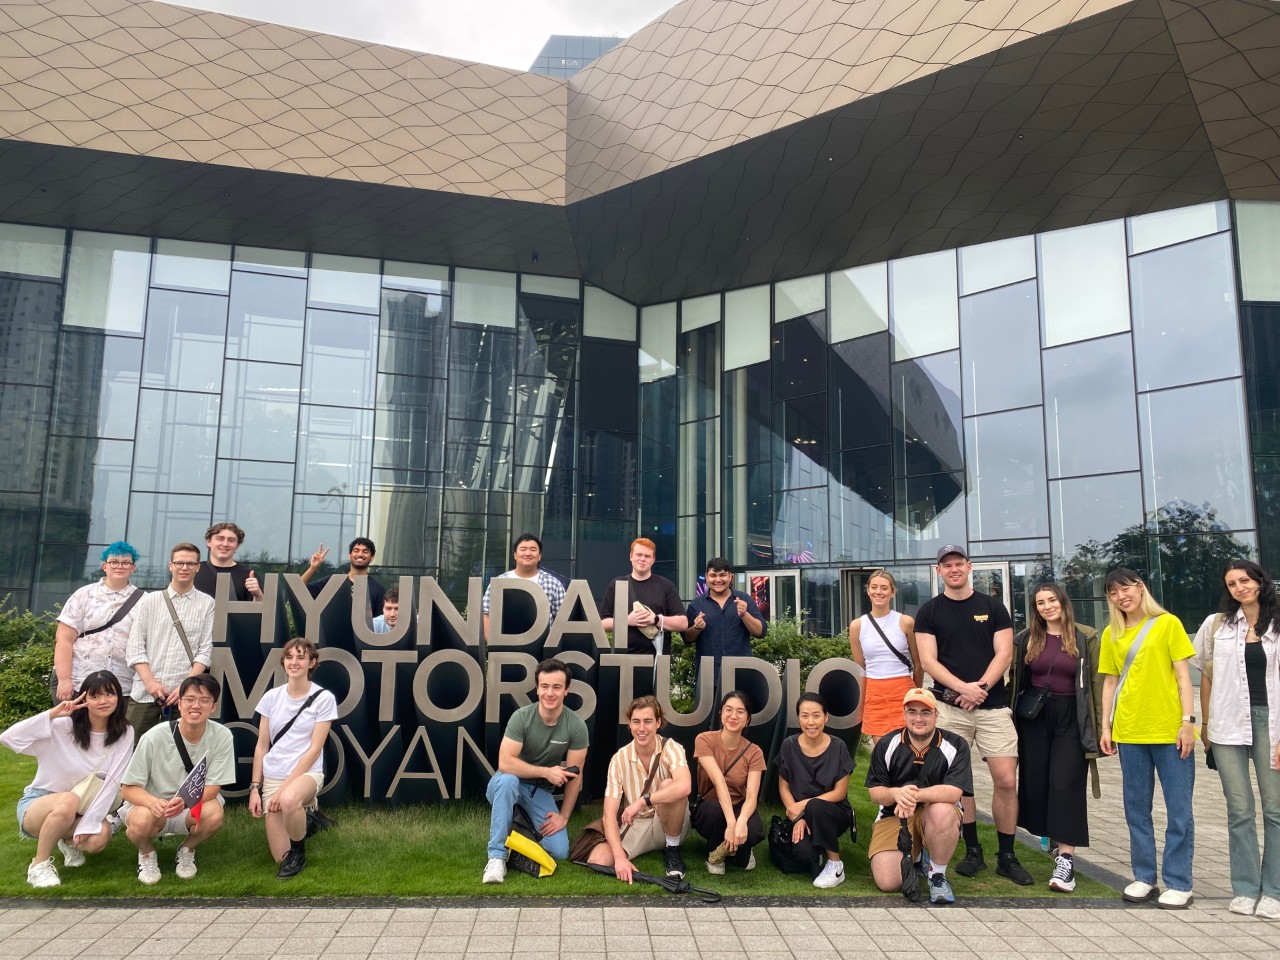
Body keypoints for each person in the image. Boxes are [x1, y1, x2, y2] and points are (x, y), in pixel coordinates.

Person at [914, 544, 1031, 885]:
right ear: (939, 571)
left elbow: (1004, 653)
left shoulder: (993, 607)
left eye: (958, 563)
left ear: (969, 567)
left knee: (1007, 780)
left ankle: (1007, 856)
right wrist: (963, 690)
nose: (953, 569)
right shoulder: (929, 612)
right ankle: (972, 850)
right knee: (957, 784)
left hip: (992, 707)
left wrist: (979, 687)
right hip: (950, 709)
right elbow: (929, 661)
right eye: (946, 565)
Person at [1098, 567, 1196, 909]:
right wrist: (1105, 727)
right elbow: (1109, 683)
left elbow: (1184, 677)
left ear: (1140, 588)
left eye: (1126, 588)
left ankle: (1179, 881)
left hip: (1169, 729)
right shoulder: (1111, 632)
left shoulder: (1168, 623)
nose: (1121, 596)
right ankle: (1144, 876)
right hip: (1129, 731)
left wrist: (1188, 722)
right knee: (1135, 808)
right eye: (1113, 592)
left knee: (1178, 808)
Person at [1194, 559, 1280, 918]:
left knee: (1275, 809)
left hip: (1271, 724)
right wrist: (1205, 725)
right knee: (1239, 809)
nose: (1239, 587)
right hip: (1227, 724)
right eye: (1232, 584)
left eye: (1245, 580)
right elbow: (1207, 675)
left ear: (1260, 581)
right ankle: (1245, 888)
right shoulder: (1217, 626)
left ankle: (1274, 891)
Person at [0, 671, 134, 889]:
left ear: (118, 697)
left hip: (82, 806)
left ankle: (66, 841)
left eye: (109, 694)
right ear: (84, 699)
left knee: (99, 837)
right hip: (40, 805)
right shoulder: (63, 726)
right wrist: (53, 714)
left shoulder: (124, 732)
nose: (103, 701)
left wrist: (89, 822)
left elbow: (112, 782)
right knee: (67, 801)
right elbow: (8, 738)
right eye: (95, 696)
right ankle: (39, 865)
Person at [1010, 583, 1103, 894]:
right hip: (1034, 717)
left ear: (1063, 602)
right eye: (1040, 603)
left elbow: (1096, 685)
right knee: (1037, 782)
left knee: (1066, 784)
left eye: (1052, 600)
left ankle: (1066, 860)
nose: (1047, 606)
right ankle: (1050, 834)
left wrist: (1102, 730)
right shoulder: (1025, 639)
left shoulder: (1085, 636)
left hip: (1071, 718)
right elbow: (1016, 680)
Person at [119, 674, 234, 885]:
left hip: (190, 805)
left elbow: (214, 786)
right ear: (179, 704)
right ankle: (146, 853)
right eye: (189, 700)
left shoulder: (223, 735)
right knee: (140, 822)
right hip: (154, 807)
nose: (196, 706)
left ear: (214, 706)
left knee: (214, 814)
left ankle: (187, 849)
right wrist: (153, 803)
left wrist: (185, 801)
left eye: (204, 700)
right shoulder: (153, 737)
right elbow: (127, 789)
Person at [483, 658, 588, 884]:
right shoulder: (522, 717)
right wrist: (546, 772)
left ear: (566, 690)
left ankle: (515, 829)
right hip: (505, 784)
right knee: (509, 781)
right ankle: (496, 857)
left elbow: (575, 777)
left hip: (537, 792)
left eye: (557, 687)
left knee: (559, 851)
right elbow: (505, 763)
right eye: (545, 686)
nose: (550, 693)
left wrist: (564, 817)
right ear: (537, 688)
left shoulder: (576, 725)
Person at [866, 688, 971, 905]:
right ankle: (917, 856)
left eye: (925, 712)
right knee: (888, 882)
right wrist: (896, 793)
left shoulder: (956, 745)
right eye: (912, 712)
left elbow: (953, 792)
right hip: (894, 814)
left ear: (936, 714)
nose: (918, 718)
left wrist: (911, 795)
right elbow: (875, 792)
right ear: (904, 714)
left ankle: (937, 875)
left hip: (934, 812)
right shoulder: (887, 744)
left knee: (941, 811)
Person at [248, 638, 338, 879]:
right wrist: (255, 788)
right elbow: (262, 746)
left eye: (301, 657)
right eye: (289, 657)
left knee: (288, 800)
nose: (294, 662)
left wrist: (283, 791)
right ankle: (309, 821)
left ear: (312, 662)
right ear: (283, 662)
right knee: (279, 857)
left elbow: (314, 750)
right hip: (274, 775)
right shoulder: (271, 698)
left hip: (306, 774)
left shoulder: (324, 698)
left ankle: (299, 853)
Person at [588, 695, 692, 881]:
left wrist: (642, 801)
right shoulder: (619, 758)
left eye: (648, 721)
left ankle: (672, 849)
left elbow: (684, 786)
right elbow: (608, 815)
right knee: (598, 860)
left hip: (670, 822)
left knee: (670, 785)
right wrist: (619, 858)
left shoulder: (671, 747)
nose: (641, 728)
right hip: (638, 824)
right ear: (629, 724)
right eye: (636, 722)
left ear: (658, 722)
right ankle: (639, 850)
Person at [124, 542, 215, 737]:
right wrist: (150, 683)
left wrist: (185, 686)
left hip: (185, 696)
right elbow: (135, 647)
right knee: (133, 749)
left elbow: (205, 651)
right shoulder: (150, 601)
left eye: (190, 564)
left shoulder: (207, 603)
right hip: (144, 693)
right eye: (179, 563)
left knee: (178, 753)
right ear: (170, 565)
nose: (184, 568)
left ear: (198, 567)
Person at [776, 692, 854, 888]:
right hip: (801, 814)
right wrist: (797, 817)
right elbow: (783, 786)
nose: (811, 722)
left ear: (826, 717)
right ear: (799, 718)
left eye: (816, 715)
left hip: (834, 812)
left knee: (816, 806)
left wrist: (804, 805)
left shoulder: (839, 746)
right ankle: (817, 852)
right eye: (805, 715)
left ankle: (836, 866)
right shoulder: (789, 745)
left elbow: (840, 793)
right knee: (803, 854)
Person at [52, 541, 143, 703]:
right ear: (104, 566)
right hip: (80, 682)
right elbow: (64, 639)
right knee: (73, 727)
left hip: (123, 686)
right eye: (114, 562)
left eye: (125, 563)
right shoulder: (83, 595)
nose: (119, 566)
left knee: (117, 729)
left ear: (133, 567)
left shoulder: (145, 601)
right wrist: (64, 680)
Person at [692, 690, 766, 875]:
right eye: (728, 710)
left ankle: (740, 849)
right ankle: (716, 853)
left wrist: (741, 820)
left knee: (753, 832)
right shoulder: (704, 740)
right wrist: (732, 823)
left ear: (748, 719)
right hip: (711, 805)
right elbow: (719, 782)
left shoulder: (754, 752)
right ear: (721, 713)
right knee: (715, 813)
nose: (733, 716)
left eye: (740, 712)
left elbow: (751, 796)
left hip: (739, 806)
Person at [847, 569, 921, 747]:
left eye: (884, 588)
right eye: (874, 587)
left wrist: (917, 695)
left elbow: (919, 665)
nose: (878, 592)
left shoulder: (906, 622)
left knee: (909, 750)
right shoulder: (857, 625)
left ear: (892, 592)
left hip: (903, 690)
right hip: (874, 692)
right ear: (868, 590)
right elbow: (860, 670)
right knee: (883, 752)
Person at [684, 558, 766, 694]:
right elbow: (686, 638)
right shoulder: (696, 605)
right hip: (709, 677)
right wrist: (697, 628)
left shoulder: (744, 599)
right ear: (706, 577)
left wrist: (745, 614)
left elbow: (761, 632)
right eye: (713, 575)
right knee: (710, 716)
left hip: (741, 675)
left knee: (740, 715)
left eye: (722, 575)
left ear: (730, 577)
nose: (718, 580)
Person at [600, 538, 688, 656]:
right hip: (623, 660)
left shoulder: (666, 585)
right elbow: (602, 624)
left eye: (647, 556)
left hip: (657, 659)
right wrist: (626, 621)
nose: (642, 559)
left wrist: (656, 619)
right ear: (631, 556)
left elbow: (683, 623)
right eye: (639, 555)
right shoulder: (617, 584)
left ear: (653, 560)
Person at [482, 534, 569, 637]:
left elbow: (563, 620)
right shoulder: (499, 582)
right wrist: (494, 645)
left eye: (533, 550)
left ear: (539, 556)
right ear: (515, 555)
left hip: (544, 650)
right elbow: (486, 614)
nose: (528, 553)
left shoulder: (553, 583)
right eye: (523, 549)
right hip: (505, 648)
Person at [301, 537, 386, 619]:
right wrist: (313, 568)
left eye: (365, 551)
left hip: (361, 634)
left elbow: (379, 621)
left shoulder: (378, 590)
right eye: (356, 551)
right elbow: (299, 589)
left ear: (372, 558)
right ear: (350, 555)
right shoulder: (332, 582)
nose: (360, 554)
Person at [193, 522, 263, 602]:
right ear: (208, 542)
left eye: (231, 540)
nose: (225, 544)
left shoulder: (249, 576)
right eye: (220, 539)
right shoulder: (194, 571)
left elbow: (258, 612)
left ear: (237, 545)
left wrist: (258, 595)